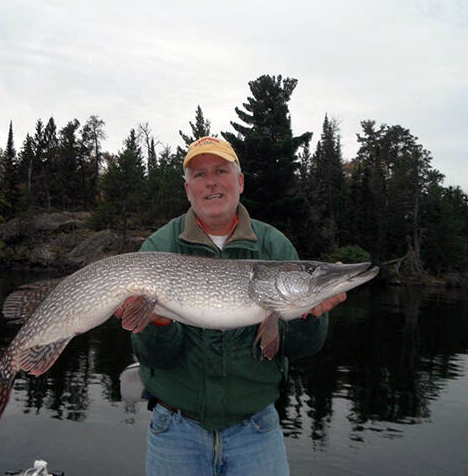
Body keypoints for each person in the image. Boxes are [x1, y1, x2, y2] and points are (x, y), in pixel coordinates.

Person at [124, 136, 345, 475]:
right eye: (199, 175)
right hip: (175, 430)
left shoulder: (272, 244)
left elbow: (303, 347)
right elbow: (154, 358)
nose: (211, 182)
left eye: (220, 171)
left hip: (255, 429)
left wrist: (306, 317)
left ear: (239, 182)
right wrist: (158, 324)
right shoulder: (161, 246)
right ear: (188, 189)